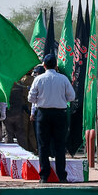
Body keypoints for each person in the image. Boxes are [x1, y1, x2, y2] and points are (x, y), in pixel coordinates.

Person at [27, 54, 76, 182]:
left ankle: (44, 176)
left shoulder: (38, 79)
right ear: (56, 66)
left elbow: (30, 98)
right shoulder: (63, 79)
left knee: (43, 145)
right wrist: (60, 98)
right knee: (60, 146)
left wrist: (41, 99)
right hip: (60, 114)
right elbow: (71, 96)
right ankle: (61, 176)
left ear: (44, 66)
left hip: (43, 114)